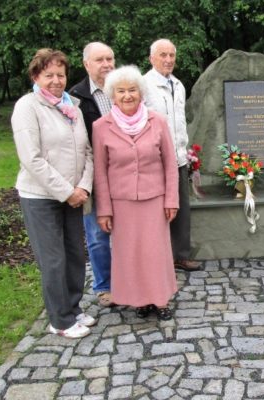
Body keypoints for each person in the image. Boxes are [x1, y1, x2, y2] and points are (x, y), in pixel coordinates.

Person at [12, 48, 95, 338]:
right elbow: (31, 158)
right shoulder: (28, 106)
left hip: (74, 194)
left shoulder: (72, 104)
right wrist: (66, 191)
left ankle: (73, 308)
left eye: (60, 74)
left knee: (74, 255)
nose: (56, 80)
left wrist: (83, 186)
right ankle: (60, 320)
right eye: (49, 75)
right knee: (53, 259)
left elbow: (87, 150)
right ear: (36, 76)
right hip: (41, 197)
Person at [93, 65, 179, 320]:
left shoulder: (158, 121)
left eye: (132, 90)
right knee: (130, 254)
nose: (127, 95)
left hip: (155, 199)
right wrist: (104, 209)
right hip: (122, 203)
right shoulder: (101, 126)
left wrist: (171, 199)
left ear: (140, 93)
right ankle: (140, 300)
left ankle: (160, 299)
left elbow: (170, 163)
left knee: (156, 251)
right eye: (121, 91)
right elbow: (100, 171)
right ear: (112, 95)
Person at [143, 38, 200, 272]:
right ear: (151, 58)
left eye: (171, 55)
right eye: (163, 55)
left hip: (178, 158)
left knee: (181, 209)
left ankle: (181, 255)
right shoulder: (144, 85)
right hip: (154, 160)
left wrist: (184, 151)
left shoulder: (178, 84)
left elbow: (179, 123)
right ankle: (159, 258)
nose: (168, 60)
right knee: (157, 211)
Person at [69, 42, 115, 308]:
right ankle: (104, 286)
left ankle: (129, 279)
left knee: (128, 232)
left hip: (122, 174)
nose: (106, 64)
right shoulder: (76, 96)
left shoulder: (124, 89)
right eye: (100, 60)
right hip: (92, 175)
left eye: (110, 58)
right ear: (87, 64)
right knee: (97, 236)